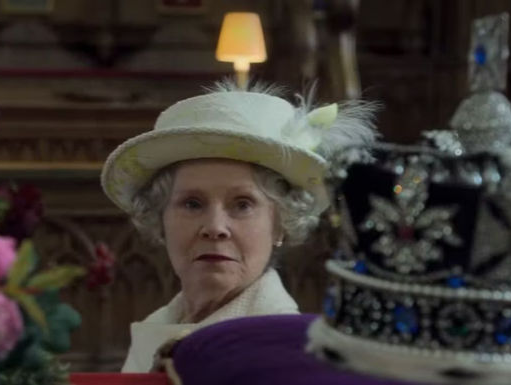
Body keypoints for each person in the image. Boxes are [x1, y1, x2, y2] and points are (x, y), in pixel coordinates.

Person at [100, 80, 378, 373]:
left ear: (281, 223)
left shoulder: (289, 350)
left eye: (242, 205)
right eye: (192, 204)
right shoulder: (157, 326)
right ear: (160, 219)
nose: (215, 227)